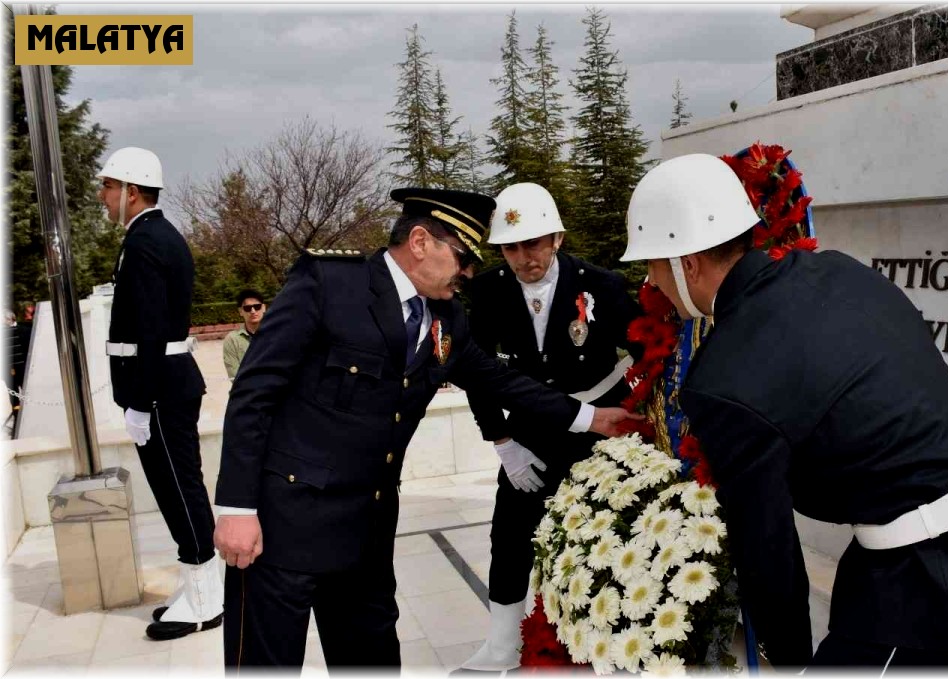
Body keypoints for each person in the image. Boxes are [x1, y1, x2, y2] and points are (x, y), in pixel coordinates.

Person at [620, 154, 948, 671]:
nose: (650, 282)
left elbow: (770, 554)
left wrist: (792, 664)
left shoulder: (723, 379)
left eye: (650, 264)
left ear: (685, 263)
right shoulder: (838, 270)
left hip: (934, 590)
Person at [213, 187, 640, 669]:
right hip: (284, 523)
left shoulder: (446, 315)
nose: (469, 272)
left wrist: (591, 418)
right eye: (463, 257)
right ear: (420, 242)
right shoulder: (330, 284)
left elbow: (498, 380)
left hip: (367, 529)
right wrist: (236, 507)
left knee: (372, 659)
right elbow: (254, 392)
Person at [458, 183, 642, 671]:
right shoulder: (489, 290)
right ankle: (503, 644)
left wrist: (641, 416)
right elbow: (479, 373)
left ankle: (611, 641)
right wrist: (502, 443)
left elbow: (645, 348)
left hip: (599, 429)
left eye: (534, 243)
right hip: (529, 434)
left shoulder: (599, 284)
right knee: (510, 535)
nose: (523, 257)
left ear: (557, 238)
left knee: (606, 532)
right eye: (511, 247)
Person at [98, 147, 219, 641]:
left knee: (177, 488)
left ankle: (206, 597)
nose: (103, 198)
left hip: (160, 390)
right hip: (165, 385)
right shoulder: (150, 236)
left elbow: (150, 328)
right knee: (178, 486)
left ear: (131, 190)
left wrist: (140, 402)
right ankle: (198, 582)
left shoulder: (147, 241)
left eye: (108, 187)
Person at [222, 289, 266, 379]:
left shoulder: (277, 334)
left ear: (264, 308)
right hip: (248, 390)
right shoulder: (232, 340)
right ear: (240, 311)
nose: (253, 311)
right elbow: (234, 376)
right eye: (247, 308)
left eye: (257, 306)